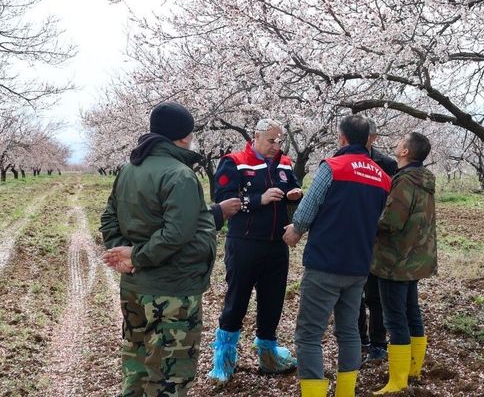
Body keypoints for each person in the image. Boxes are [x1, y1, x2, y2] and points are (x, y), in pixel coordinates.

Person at [100, 102, 217, 397]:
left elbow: (109, 217)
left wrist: (122, 254)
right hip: (172, 289)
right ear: (182, 136)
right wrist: (136, 257)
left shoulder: (128, 169)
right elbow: (177, 233)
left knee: (136, 366)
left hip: (134, 288)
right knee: (170, 375)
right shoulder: (180, 175)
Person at [282, 115, 392, 397]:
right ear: (369, 139)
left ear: (341, 138)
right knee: (349, 331)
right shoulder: (382, 177)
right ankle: (346, 392)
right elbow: (377, 217)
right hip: (358, 266)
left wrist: (295, 230)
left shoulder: (332, 167)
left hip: (325, 263)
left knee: (309, 334)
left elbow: (307, 210)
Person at [207, 118, 304, 383]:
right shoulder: (235, 161)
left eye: (280, 140)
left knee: (272, 301)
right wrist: (256, 200)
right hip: (245, 242)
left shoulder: (284, 163)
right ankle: (224, 358)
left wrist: (295, 194)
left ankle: (269, 355)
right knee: (237, 299)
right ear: (256, 136)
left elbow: (292, 186)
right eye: (271, 140)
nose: (276, 145)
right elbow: (223, 199)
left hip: (276, 244)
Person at [371, 132, 437, 395]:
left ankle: (397, 382)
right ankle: (413, 369)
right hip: (416, 258)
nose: (396, 144)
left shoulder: (404, 182)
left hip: (395, 260)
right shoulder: (424, 180)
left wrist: (367, 224)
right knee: (412, 311)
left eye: (400, 142)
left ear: (405, 152)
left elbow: (392, 222)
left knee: (395, 318)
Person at [358, 118, 397, 365]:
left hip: (376, 238)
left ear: (374, 138)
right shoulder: (339, 161)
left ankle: (378, 343)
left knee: (375, 294)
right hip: (351, 237)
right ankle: (358, 339)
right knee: (352, 295)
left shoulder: (387, 164)